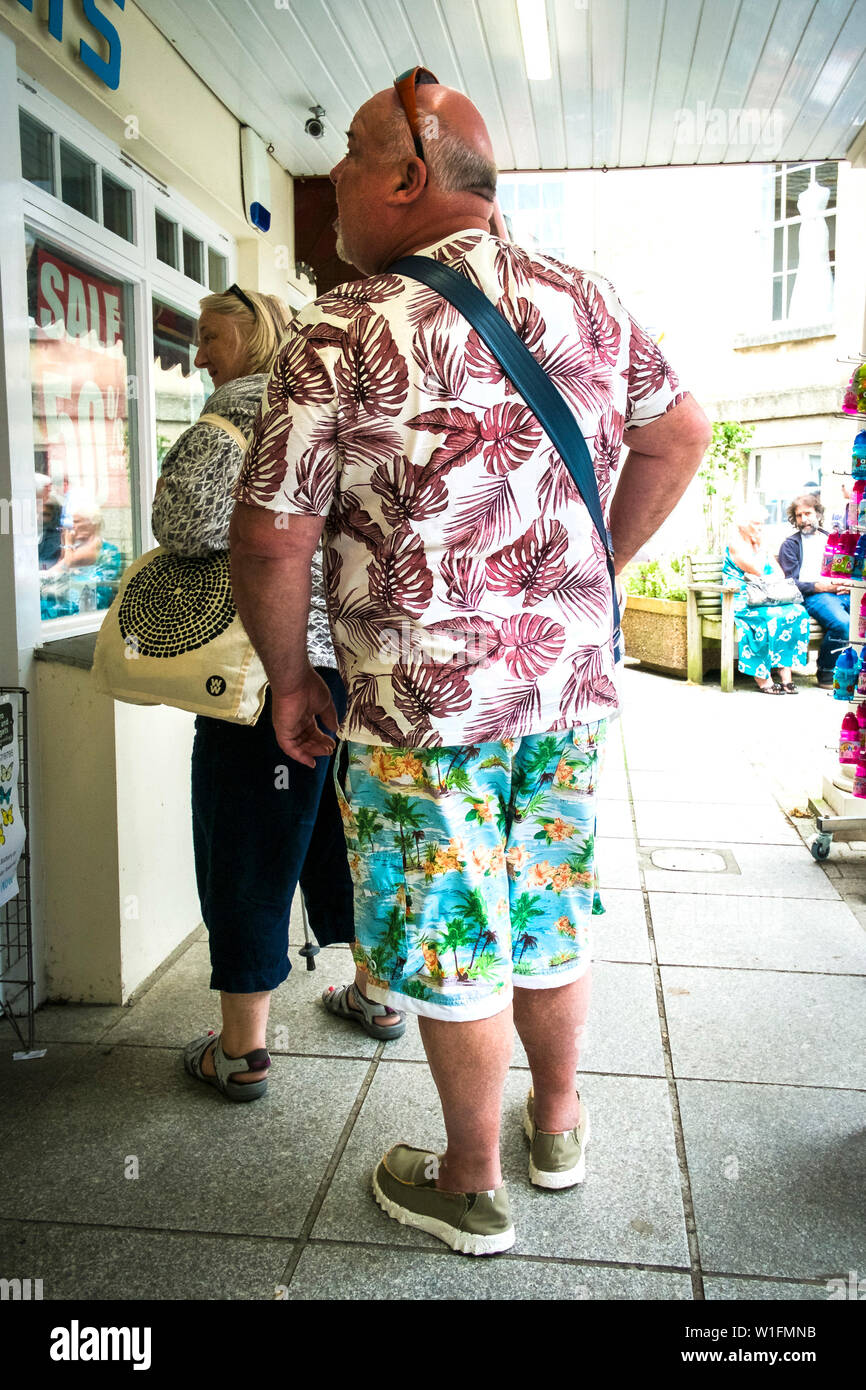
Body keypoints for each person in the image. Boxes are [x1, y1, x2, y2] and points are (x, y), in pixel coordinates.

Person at [230, 72, 710, 1252]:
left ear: (407, 178)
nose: (336, 173)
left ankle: (470, 1180)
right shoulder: (591, 302)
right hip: (563, 685)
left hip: (416, 699)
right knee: (545, 906)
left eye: (348, 153)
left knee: (451, 923)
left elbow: (271, 530)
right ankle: (556, 1124)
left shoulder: (340, 327)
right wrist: (588, 569)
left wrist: (290, 681)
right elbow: (680, 431)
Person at [151, 284, 399, 1106]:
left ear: (252, 338)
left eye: (211, 335)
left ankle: (243, 1052)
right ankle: (375, 993)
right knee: (351, 833)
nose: (198, 353)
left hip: (266, 670)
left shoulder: (233, 421)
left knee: (249, 844)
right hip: (358, 667)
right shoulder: (344, 406)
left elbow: (183, 527)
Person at [723, 504, 811, 693]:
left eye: (762, 524)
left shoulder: (759, 542)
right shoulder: (736, 544)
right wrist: (761, 547)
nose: (760, 528)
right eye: (756, 524)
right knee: (769, 618)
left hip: (764, 595)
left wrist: (761, 546)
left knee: (798, 613)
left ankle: (785, 672)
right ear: (743, 525)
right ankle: (763, 677)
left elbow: (779, 573)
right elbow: (758, 570)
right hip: (742, 598)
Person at [778, 493, 849, 689]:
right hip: (815, 596)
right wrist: (822, 587)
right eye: (799, 515)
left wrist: (848, 585)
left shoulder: (833, 539)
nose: (804, 519)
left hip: (843, 592)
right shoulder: (790, 545)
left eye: (808, 513)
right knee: (843, 624)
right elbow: (790, 583)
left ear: (818, 513)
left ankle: (854, 672)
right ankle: (826, 673)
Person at [39, 493, 123, 618]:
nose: (72, 526)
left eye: (77, 521)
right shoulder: (80, 546)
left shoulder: (97, 547)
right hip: (72, 598)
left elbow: (65, 565)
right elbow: (59, 568)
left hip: (85, 606)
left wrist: (67, 543)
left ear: (92, 522)